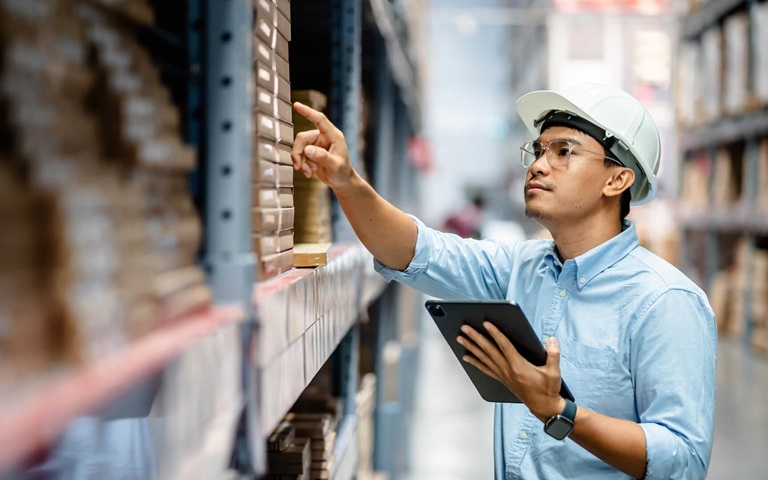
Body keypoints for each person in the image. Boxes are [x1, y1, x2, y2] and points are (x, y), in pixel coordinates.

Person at [291, 83, 717, 480]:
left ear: (617, 178)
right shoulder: (521, 268)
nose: (537, 165)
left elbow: (682, 459)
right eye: (537, 150)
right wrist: (346, 182)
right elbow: (416, 251)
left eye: (563, 151)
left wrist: (559, 411)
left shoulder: (666, 302)